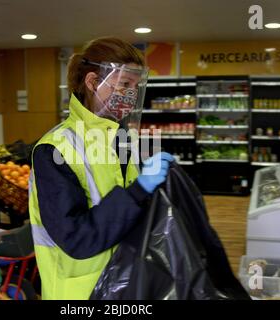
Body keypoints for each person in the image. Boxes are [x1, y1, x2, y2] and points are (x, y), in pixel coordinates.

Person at [28, 37, 174, 300]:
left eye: (136, 86)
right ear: (93, 81)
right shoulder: (54, 149)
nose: (131, 94)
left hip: (127, 280)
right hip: (82, 291)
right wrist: (139, 190)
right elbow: (77, 238)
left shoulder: (121, 137)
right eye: (125, 84)